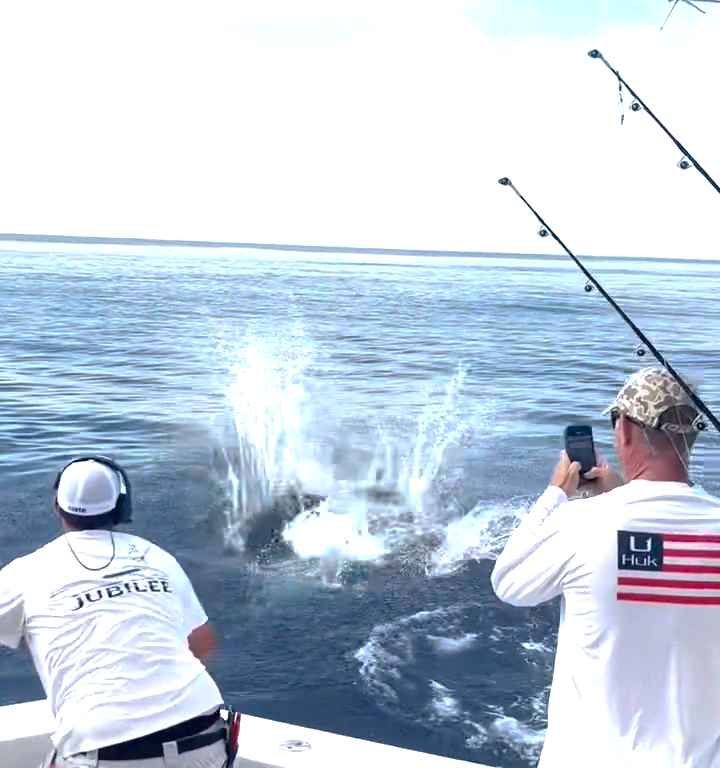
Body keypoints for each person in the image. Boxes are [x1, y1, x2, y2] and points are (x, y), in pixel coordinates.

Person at [492, 367, 720, 767]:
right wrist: (619, 495)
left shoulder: (583, 523)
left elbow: (509, 583)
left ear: (625, 431)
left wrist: (556, 496)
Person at [0, 456, 231, 768]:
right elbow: (203, 642)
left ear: (56, 506)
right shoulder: (156, 556)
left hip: (104, 749)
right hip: (203, 735)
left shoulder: (23, 573)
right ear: (122, 506)